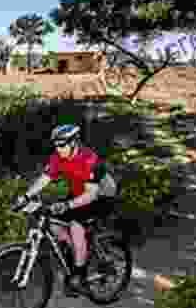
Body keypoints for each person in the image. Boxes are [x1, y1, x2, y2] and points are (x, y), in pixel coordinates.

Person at [13, 124, 118, 297]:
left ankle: (80, 275)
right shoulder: (58, 156)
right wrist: (25, 197)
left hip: (102, 196)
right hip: (79, 193)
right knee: (53, 223)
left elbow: (91, 195)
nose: (58, 149)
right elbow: (44, 179)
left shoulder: (89, 159)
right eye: (56, 145)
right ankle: (77, 252)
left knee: (76, 226)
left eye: (62, 145)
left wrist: (67, 205)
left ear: (74, 142)